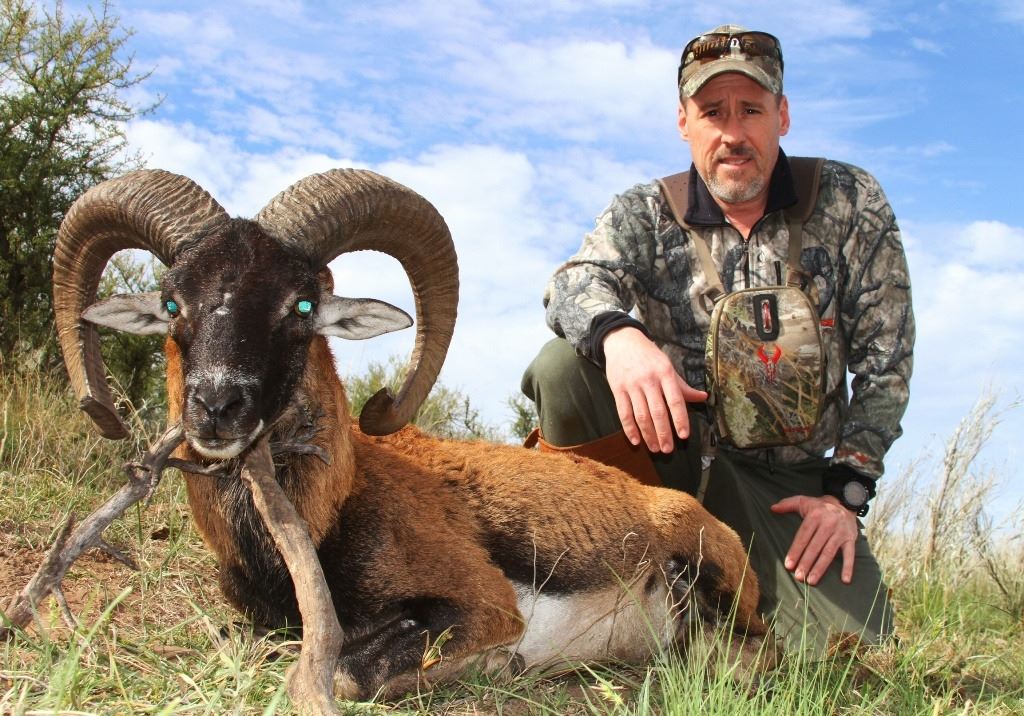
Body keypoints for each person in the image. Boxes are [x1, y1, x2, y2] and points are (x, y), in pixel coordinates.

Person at [522, 24, 914, 655]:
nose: (733, 133)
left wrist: (845, 495)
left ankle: (698, 603)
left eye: (751, 110)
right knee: (562, 367)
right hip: (665, 468)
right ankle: (599, 575)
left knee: (851, 657)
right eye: (712, 112)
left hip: (790, 487)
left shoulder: (850, 201)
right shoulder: (645, 211)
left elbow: (886, 363)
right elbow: (570, 284)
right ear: (685, 122)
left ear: (782, 115)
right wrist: (619, 336)